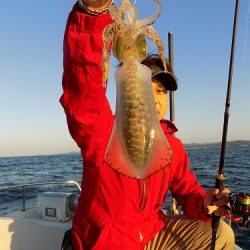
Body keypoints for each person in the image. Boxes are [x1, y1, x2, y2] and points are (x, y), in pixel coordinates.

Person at [60, 1, 235, 249]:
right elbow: (83, 92)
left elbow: (187, 191)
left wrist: (204, 202)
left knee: (222, 234)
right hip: (104, 242)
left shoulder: (171, 145)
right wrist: (92, 14)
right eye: (145, 86)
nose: (153, 97)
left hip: (150, 234)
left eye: (161, 91)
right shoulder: (101, 132)